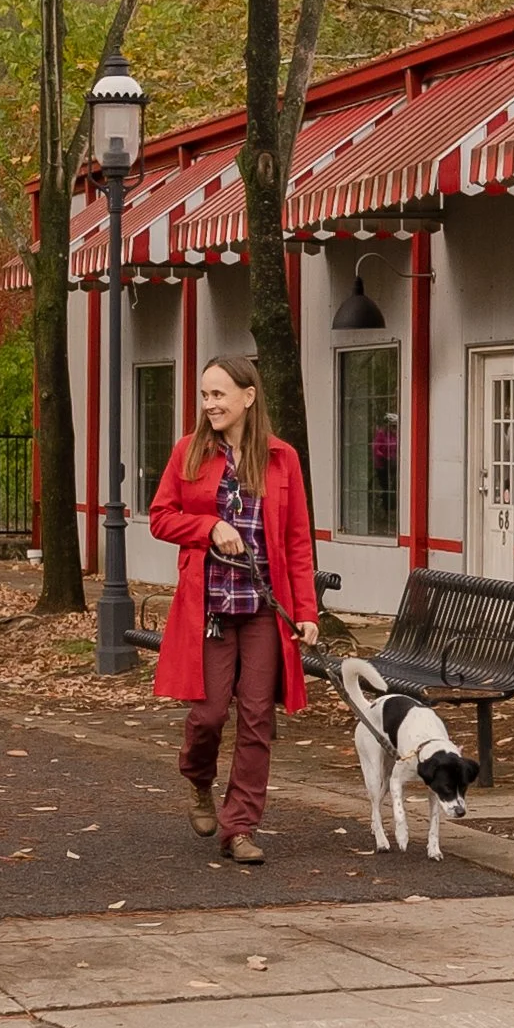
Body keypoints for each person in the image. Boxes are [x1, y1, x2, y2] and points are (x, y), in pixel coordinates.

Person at [147, 354, 320, 864]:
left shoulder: (281, 457)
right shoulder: (189, 452)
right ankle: (199, 780)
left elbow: (296, 541)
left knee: (257, 716)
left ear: (248, 397)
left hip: (265, 607)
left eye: (219, 394)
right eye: (204, 395)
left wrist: (306, 611)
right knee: (209, 713)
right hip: (211, 607)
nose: (210, 404)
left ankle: (239, 826)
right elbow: (160, 517)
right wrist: (208, 527)